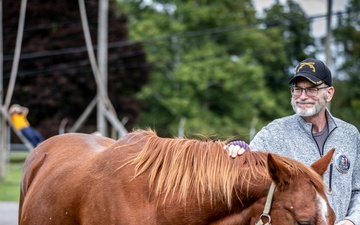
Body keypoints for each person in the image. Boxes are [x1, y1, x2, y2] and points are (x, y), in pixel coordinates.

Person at [225, 58, 360, 225]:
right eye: (297, 89)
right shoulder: (274, 132)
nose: (302, 96)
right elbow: (247, 167)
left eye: (311, 89)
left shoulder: (350, 135)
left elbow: (358, 190)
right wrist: (238, 150)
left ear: (329, 93)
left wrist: (352, 221)